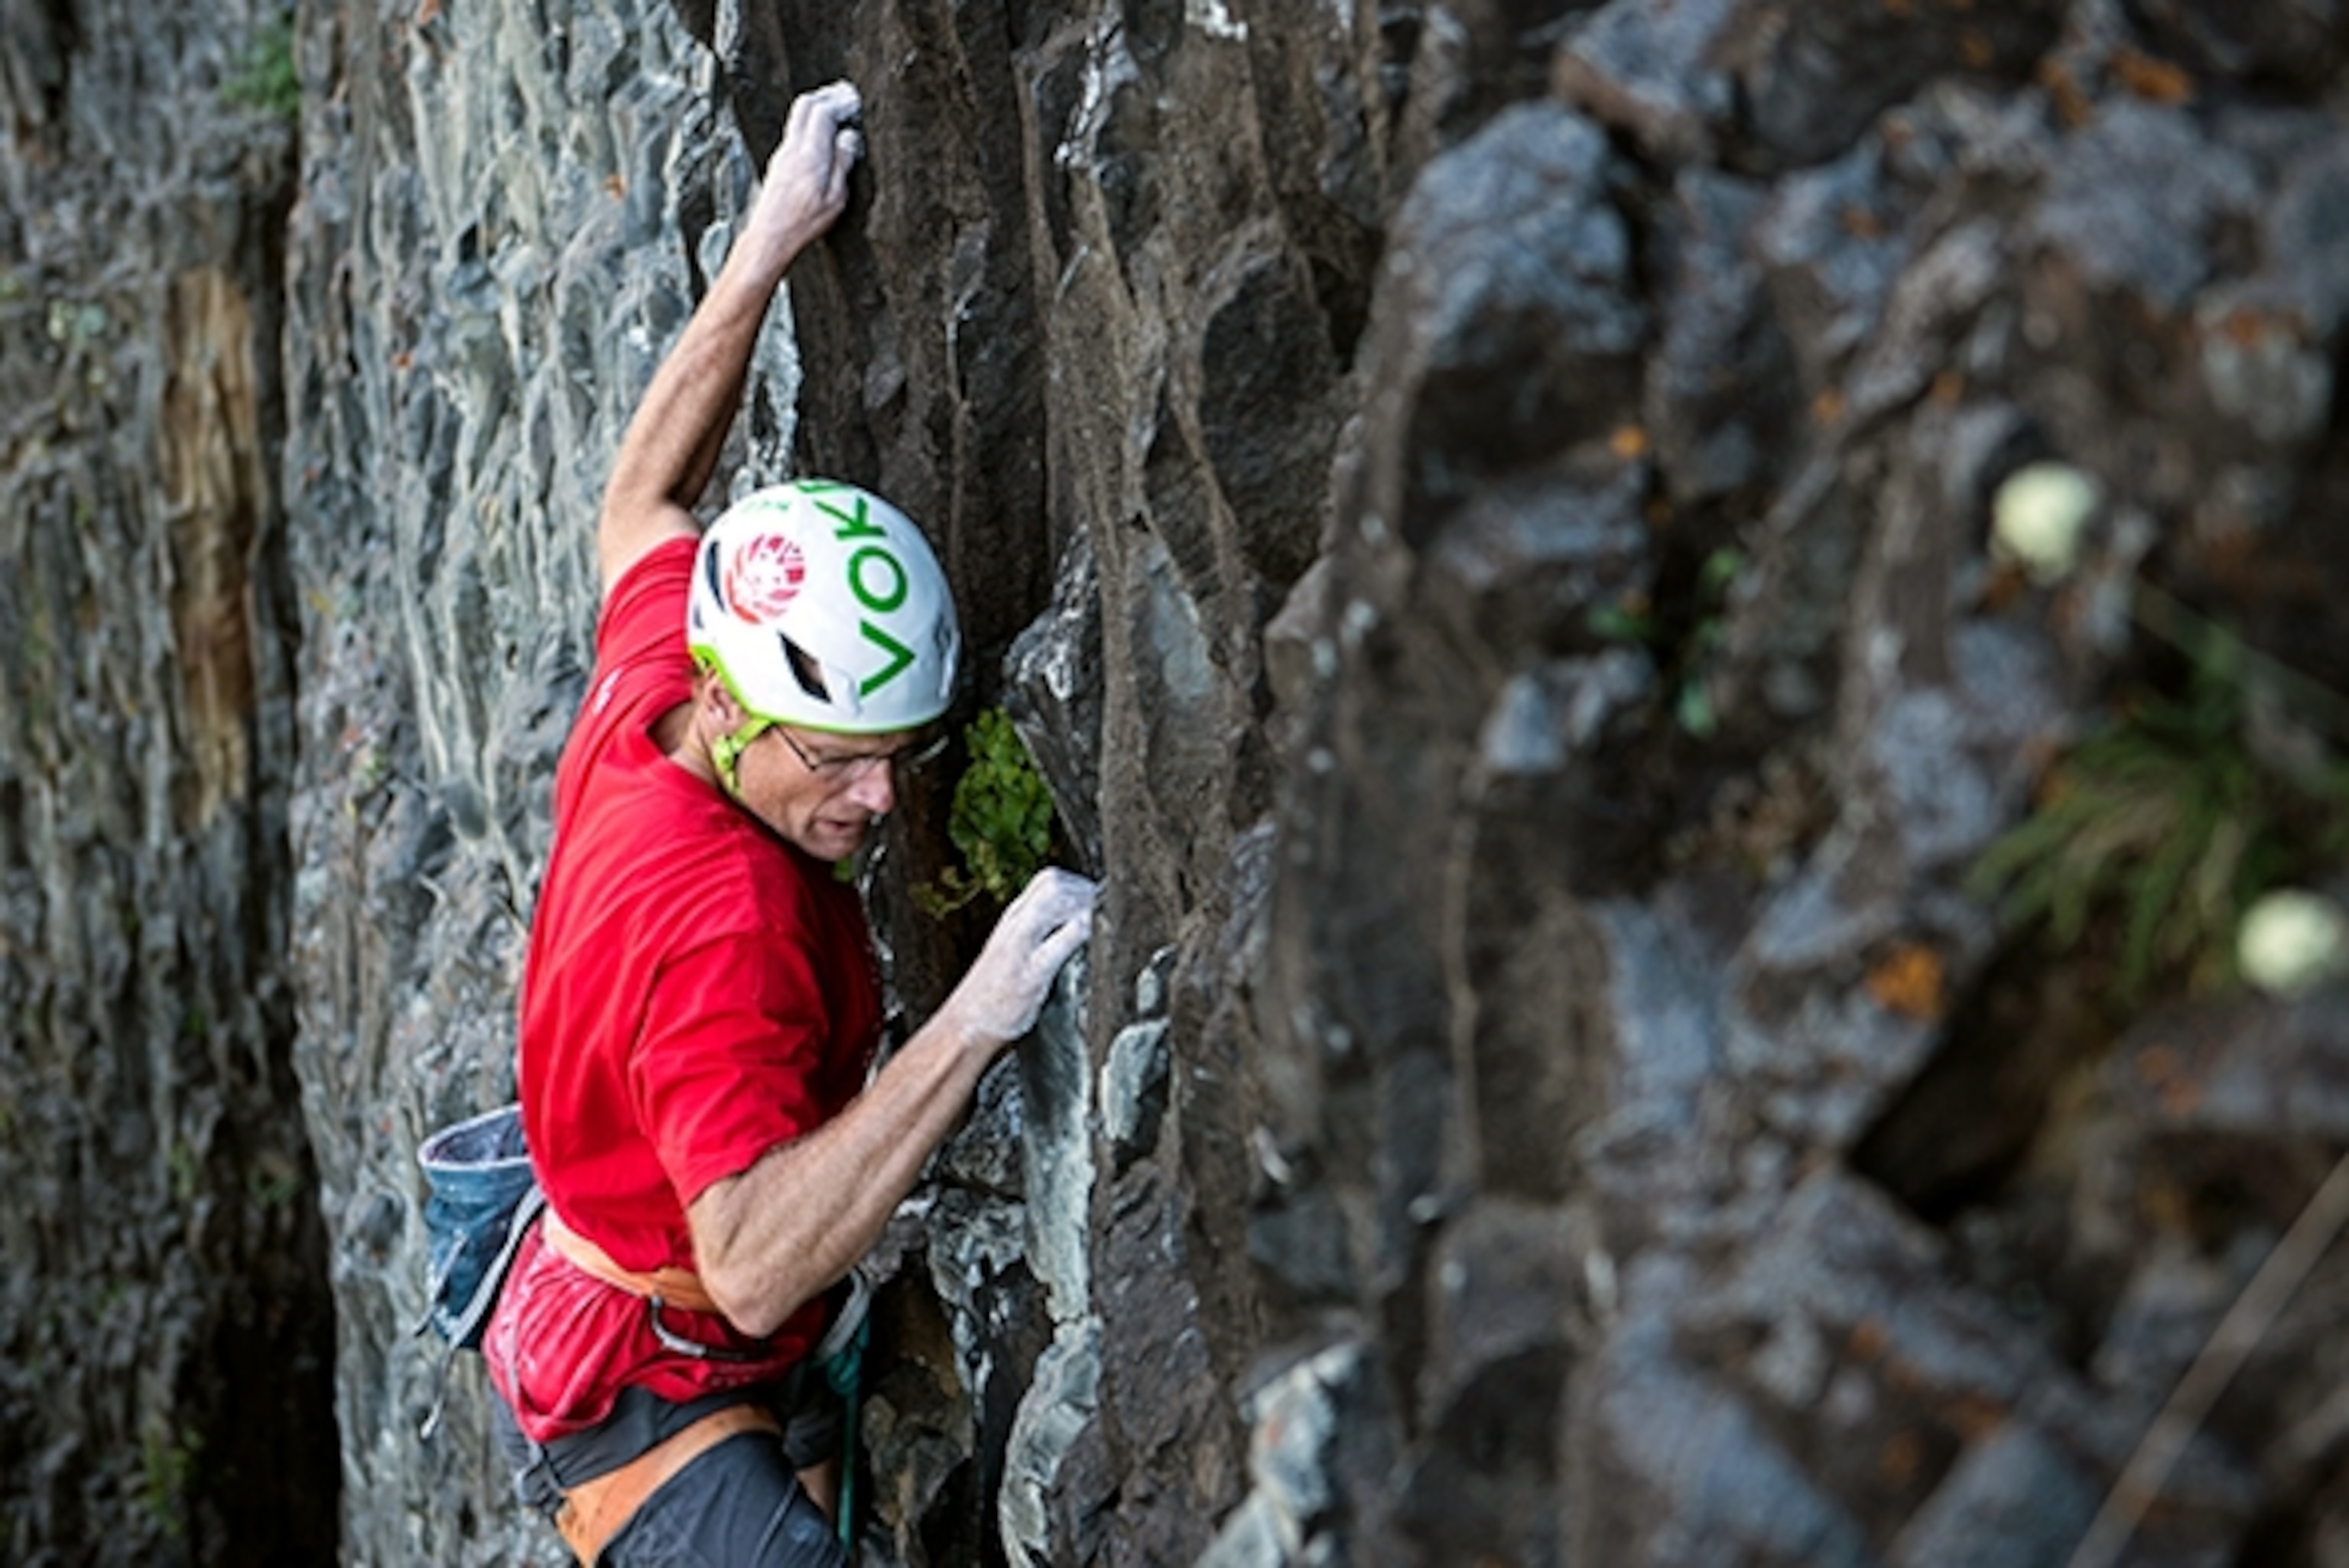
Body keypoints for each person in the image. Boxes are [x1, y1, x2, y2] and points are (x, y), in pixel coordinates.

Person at [481, 79, 1099, 1567]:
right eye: (838, 762)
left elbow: (642, 498)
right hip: (655, 1369)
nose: (878, 800)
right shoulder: (729, 933)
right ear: (745, 715)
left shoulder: (665, 674)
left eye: (898, 757)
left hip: (605, 1242)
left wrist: (764, 247)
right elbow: (751, 1267)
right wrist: (982, 1015)